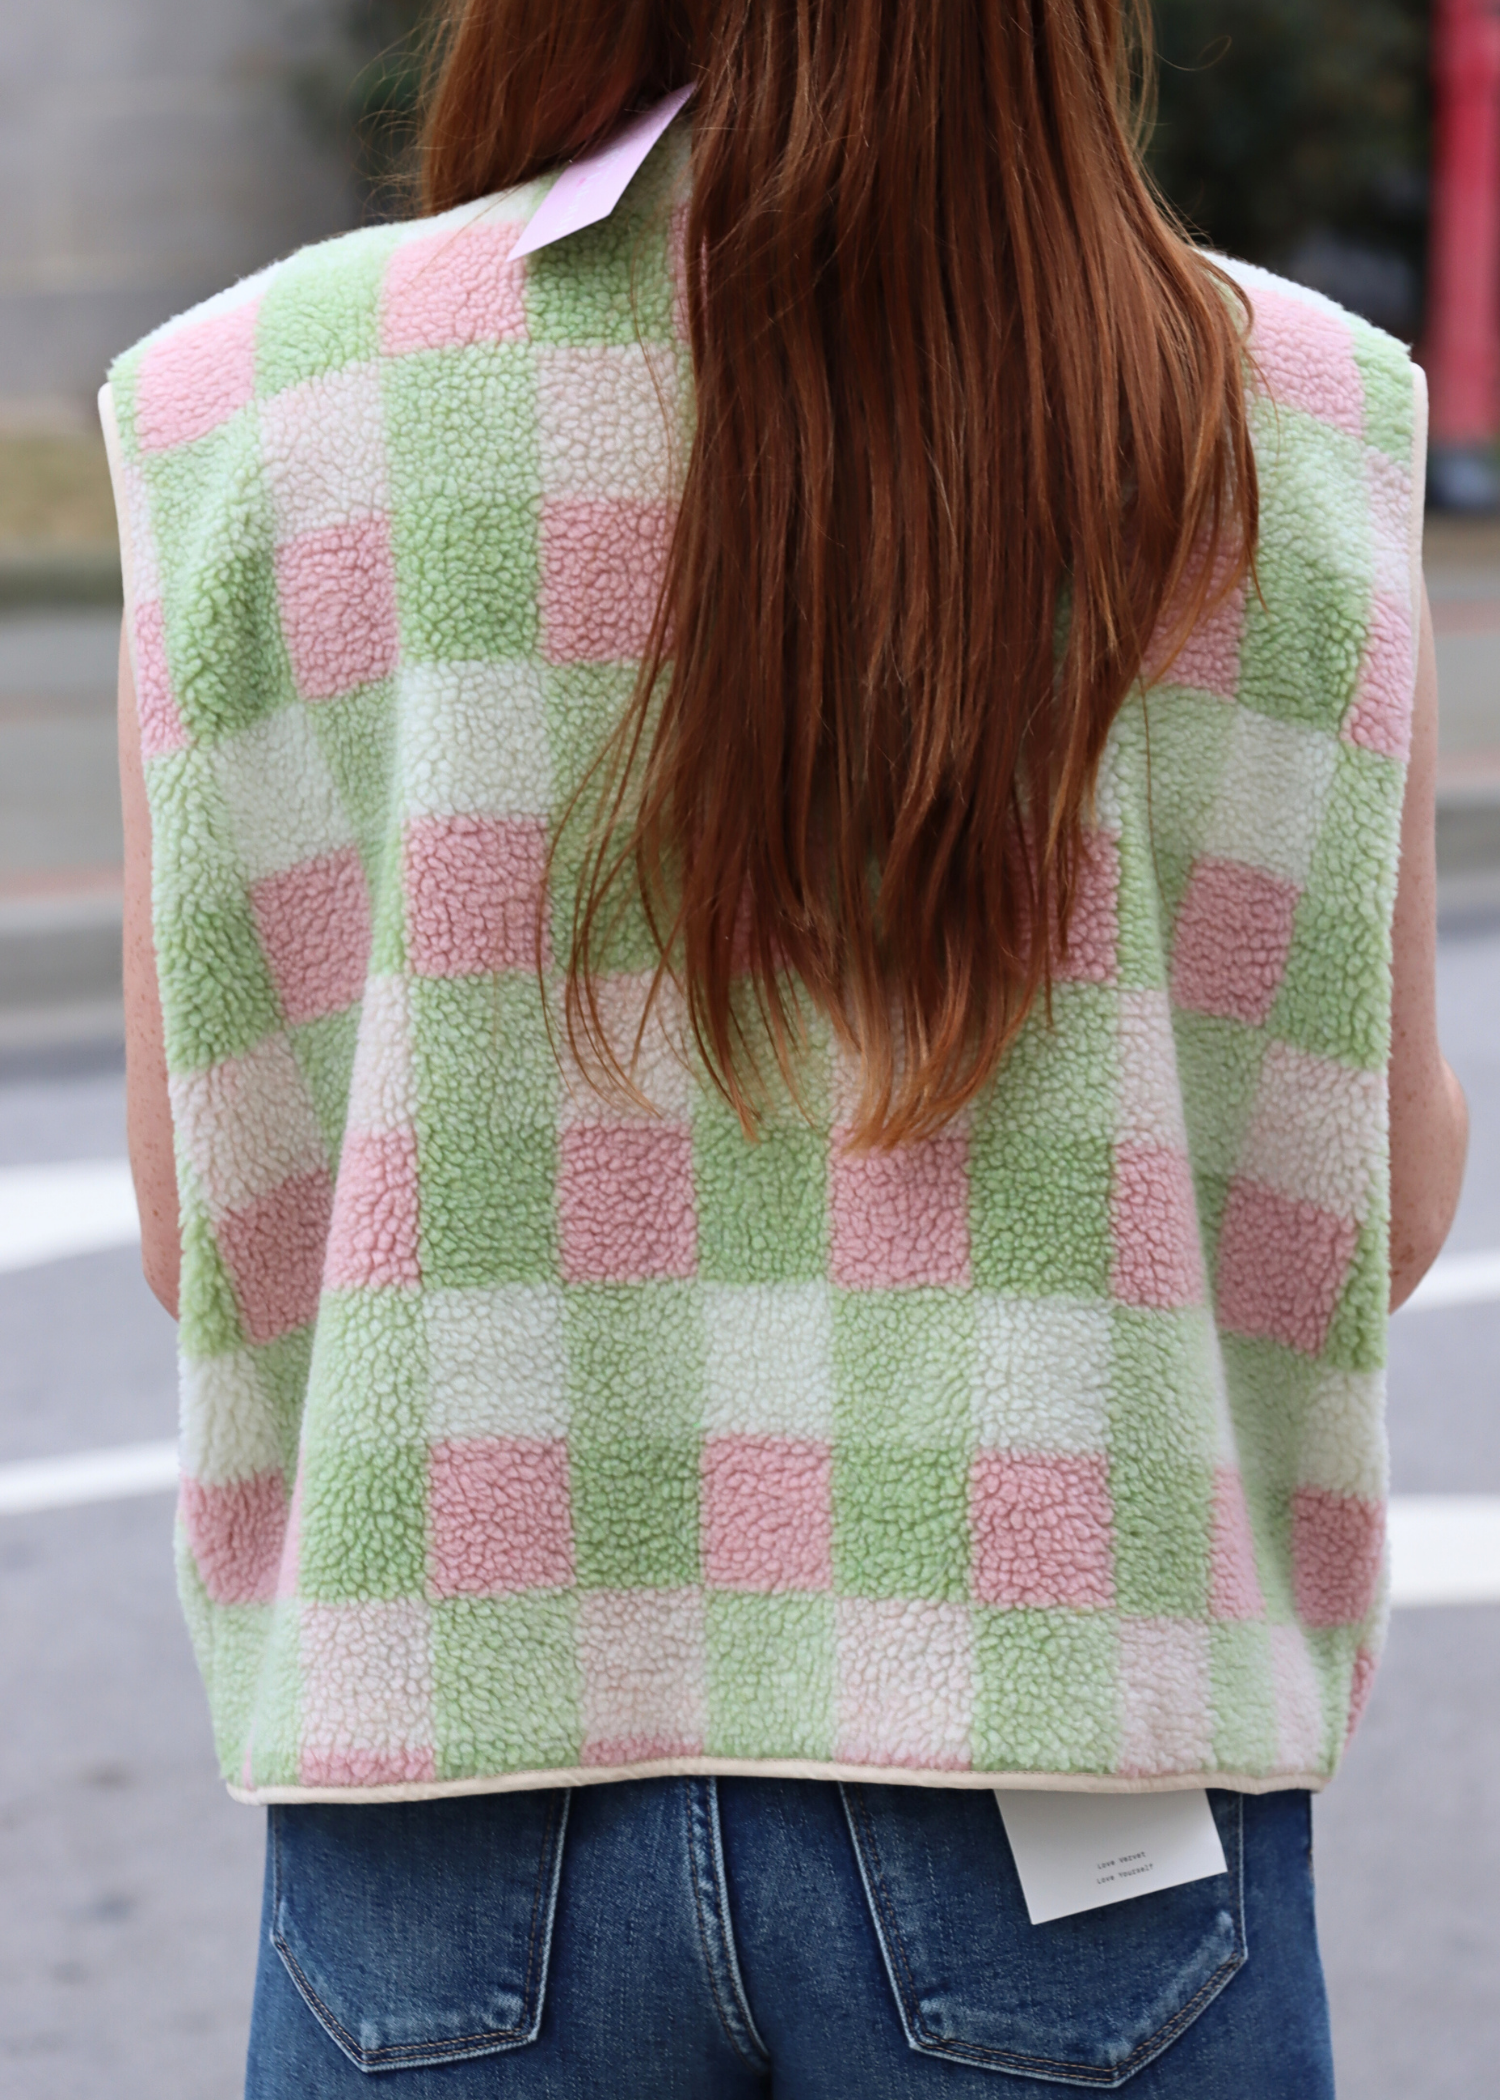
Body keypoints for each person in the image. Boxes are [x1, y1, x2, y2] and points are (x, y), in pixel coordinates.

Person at [105, 3, 1467, 2093]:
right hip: (1065, 1768)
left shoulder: (256, 410)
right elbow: (1365, 1218)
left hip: (453, 1786)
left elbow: (212, 1234)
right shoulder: (1290, 418)